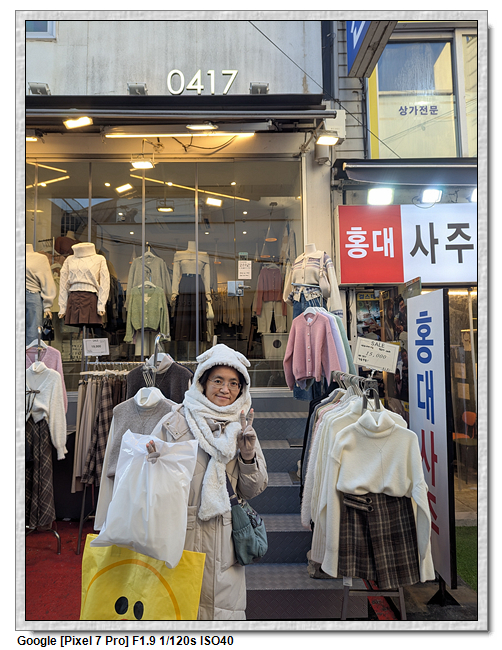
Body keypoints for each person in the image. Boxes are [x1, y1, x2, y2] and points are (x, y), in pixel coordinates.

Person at [157, 344, 268, 620]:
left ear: (241, 388)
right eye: (217, 381)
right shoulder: (175, 422)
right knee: (179, 615)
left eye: (233, 383)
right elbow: (153, 485)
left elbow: (253, 489)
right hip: (183, 538)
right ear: (202, 382)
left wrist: (247, 455)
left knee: (222, 619)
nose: (225, 389)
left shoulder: (242, 427)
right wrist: (152, 463)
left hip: (225, 546)